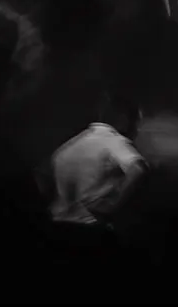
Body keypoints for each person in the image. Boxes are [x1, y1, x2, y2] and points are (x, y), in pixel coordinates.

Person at [45, 98, 148, 300]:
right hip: (91, 234)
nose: (137, 130)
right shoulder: (113, 140)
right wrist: (114, 203)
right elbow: (138, 168)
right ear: (123, 120)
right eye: (136, 121)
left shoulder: (67, 147)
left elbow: (43, 177)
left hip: (56, 230)